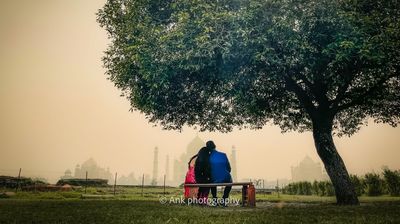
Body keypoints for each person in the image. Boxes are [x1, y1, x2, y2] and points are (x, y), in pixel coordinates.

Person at [207, 140, 232, 205]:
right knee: (230, 181)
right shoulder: (223, 155)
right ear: (215, 146)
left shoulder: (208, 157)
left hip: (214, 178)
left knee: (212, 180)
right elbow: (229, 169)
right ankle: (224, 199)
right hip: (225, 177)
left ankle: (215, 200)